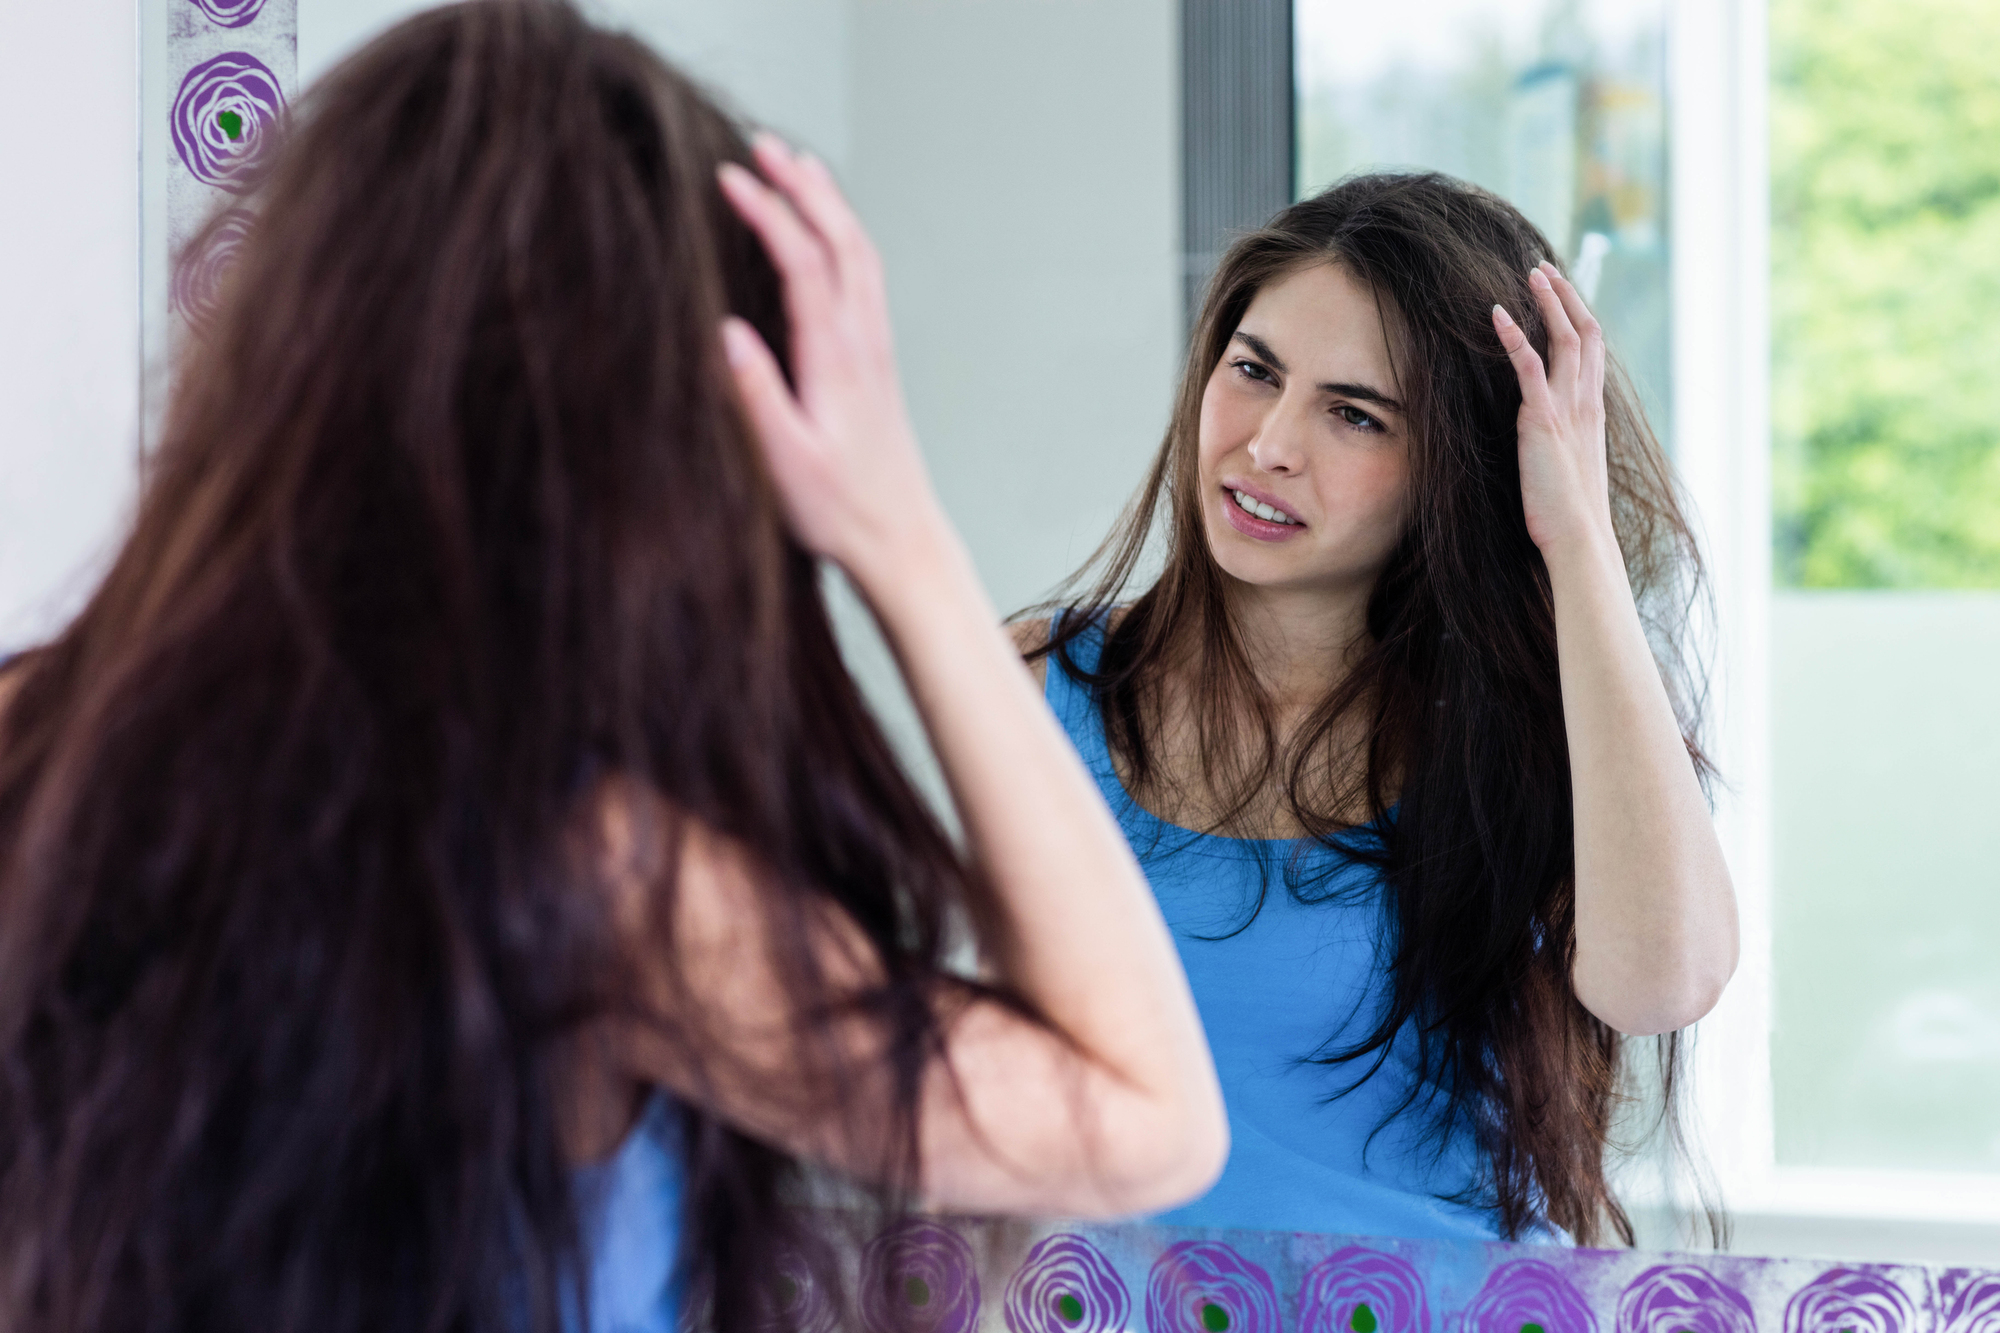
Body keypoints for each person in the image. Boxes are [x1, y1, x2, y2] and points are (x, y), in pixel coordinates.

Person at [0, 4, 1227, 1331]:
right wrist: (897, 534)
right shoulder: (587, 880)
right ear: (669, 446)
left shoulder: (31, 744)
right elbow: (1144, 1117)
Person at [1017, 173, 1738, 1245]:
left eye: (1354, 414)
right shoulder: (1037, 683)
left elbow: (1661, 983)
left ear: (1455, 468)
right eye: (1253, 371)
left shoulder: (1529, 722)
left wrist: (1573, 534)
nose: (1268, 443)